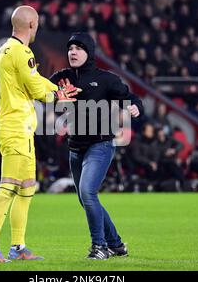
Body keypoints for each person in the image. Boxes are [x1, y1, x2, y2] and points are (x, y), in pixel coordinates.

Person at [0, 6, 80, 263]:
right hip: (15, 128)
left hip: (19, 127)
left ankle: (18, 246)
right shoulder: (23, 52)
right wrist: (58, 95)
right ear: (32, 24)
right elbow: (35, 88)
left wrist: (57, 88)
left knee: (26, 188)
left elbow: (34, 80)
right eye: (38, 24)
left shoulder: (6, 50)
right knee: (8, 186)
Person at [50, 32, 144, 259]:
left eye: (79, 48)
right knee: (86, 198)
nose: (73, 52)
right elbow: (39, 91)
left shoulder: (106, 79)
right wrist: (54, 98)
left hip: (100, 144)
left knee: (87, 193)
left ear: (89, 53)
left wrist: (135, 107)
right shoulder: (61, 77)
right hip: (75, 147)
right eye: (70, 48)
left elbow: (131, 98)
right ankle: (117, 244)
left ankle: (99, 246)